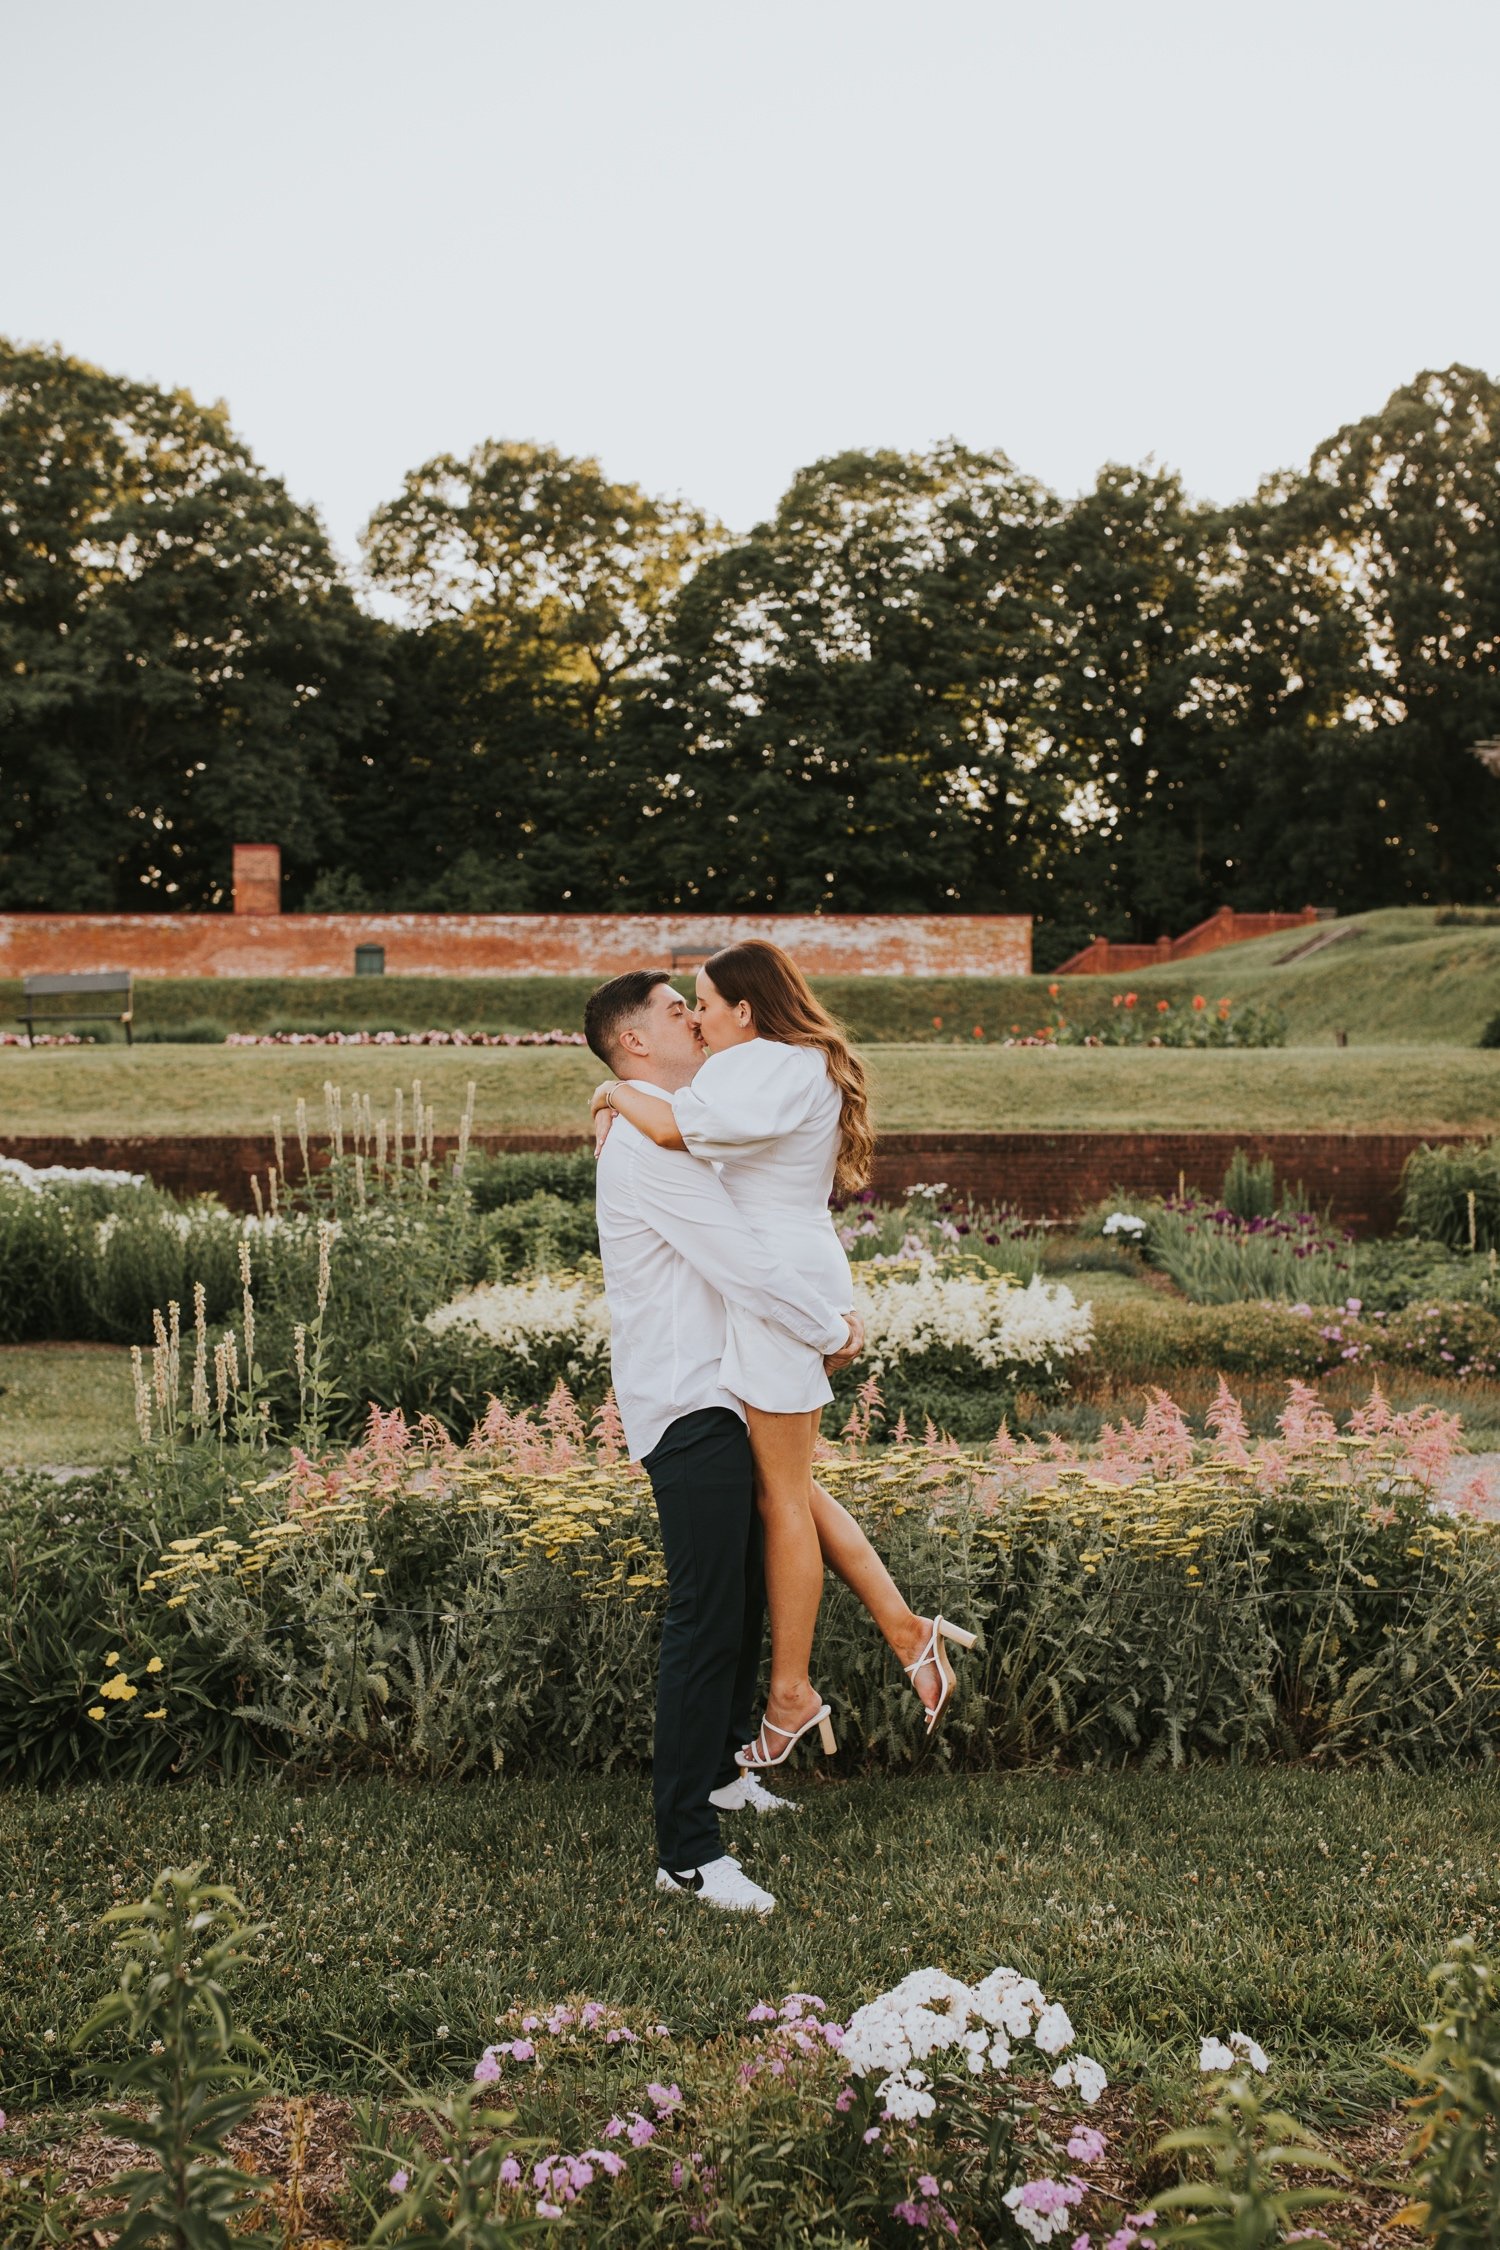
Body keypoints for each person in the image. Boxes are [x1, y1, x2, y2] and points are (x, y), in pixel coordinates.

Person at [591, 939, 976, 1778]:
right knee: (789, 1485)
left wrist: (615, 1088)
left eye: (702, 1002)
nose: (693, 1017)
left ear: (745, 1011)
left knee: (782, 1500)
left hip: (774, 1285)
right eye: (679, 1007)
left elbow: (670, 1123)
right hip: (787, 1272)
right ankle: (907, 1632)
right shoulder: (787, 1063)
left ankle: (793, 1694)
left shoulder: (764, 1064)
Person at [585, 968, 863, 1916]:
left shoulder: (675, 1120)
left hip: (724, 1391)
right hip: (688, 1402)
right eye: (674, 1010)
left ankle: (717, 1776)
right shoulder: (647, 1145)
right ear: (633, 1044)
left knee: (741, 1596)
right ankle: (687, 1851)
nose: (693, 1017)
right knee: (705, 1617)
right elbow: (742, 1266)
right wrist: (829, 1327)